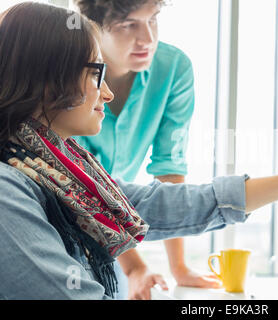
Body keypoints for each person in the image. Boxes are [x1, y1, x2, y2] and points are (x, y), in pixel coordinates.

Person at [0, 2, 278, 299]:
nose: (106, 91)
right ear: (51, 79)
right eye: (94, 73)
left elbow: (183, 202)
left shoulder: (61, 170)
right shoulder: (8, 190)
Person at [71, 0, 217, 297]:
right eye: (129, 25)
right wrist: (135, 266)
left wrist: (179, 267)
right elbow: (81, 183)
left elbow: (170, 165)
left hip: (113, 220)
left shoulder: (174, 68)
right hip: (67, 214)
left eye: (153, 20)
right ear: (94, 29)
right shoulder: (68, 74)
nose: (148, 39)